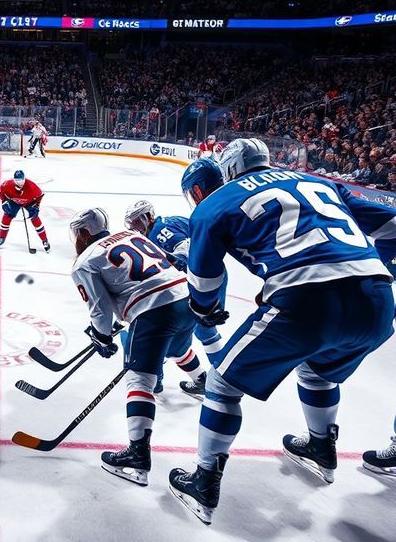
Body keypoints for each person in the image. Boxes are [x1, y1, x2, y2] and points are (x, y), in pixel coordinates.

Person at [169, 138, 396, 525]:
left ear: (228, 169)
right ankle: (321, 448)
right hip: (376, 298)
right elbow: (392, 224)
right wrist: (375, 267)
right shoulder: (319, 182)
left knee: (222, 383)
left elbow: (205, 279)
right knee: (318, 370)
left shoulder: (215, 202)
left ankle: (203, 483)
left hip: (307, 301)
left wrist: (204, 312)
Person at [69, 207, 196, 487]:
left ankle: (137, 455)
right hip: (187, 299)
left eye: (77, 233)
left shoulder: (84, 261)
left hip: (153, 310)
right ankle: (202, 381)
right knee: (177, 348)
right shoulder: (131, 234)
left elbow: (100, 308)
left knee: (140, 379)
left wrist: (101, 337)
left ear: (84, 232)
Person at [124, 158, 227, 399]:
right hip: (205, 272)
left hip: (201, 275)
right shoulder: (167, 222)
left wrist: (174, 260)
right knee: (192, 334)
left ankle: (222, 381)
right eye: (131, 224)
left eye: (138, 221)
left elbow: (185, 248)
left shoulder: (160, 231)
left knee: (202, 331)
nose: (135, 227)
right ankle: (212, 380)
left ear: (148, 216)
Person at [0, 170, 50, 252]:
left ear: (24, 179)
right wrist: (4, 201)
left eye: (21, 180)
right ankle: (2, 238)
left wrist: (37, 206)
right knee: (7, 216)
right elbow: (0, 191)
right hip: (14, 202)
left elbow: (40, 195)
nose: (19, 183)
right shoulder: (7, 184)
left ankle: (45, 241)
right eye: (17, 180)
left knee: (35, 218)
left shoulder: (32, 187)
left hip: (29, 202)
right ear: (14, 180)